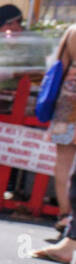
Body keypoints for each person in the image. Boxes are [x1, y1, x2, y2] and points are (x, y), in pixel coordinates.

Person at [40, 22, 76, 235]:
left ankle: (65, 214)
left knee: (62, 161)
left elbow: (59, 66)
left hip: (67, 101)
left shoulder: (72, 31)